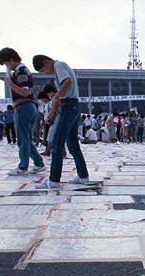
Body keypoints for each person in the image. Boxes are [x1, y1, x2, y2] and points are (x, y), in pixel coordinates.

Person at [33, 54, 89, 189]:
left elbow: (67, 81)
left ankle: (54, 180)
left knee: (57, 143)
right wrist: (54, 109)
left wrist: (57, 96)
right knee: (72, 145)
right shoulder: (61, 66)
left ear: (46, 62)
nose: (45, 73)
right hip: (73, 106)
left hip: (69, 106)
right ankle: (83, 176)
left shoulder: (58, 65)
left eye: (43, 70)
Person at [0, 47, 45, 176]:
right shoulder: (18, 72)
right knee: (26, 139)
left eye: (6, 63)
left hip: (24, 106)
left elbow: (24, 91)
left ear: (11, 59)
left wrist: (9, 84)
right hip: (25, 106)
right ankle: (39, 163)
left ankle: (23, 166)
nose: (7, 67)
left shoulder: (22, 71)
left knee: (23, 139)